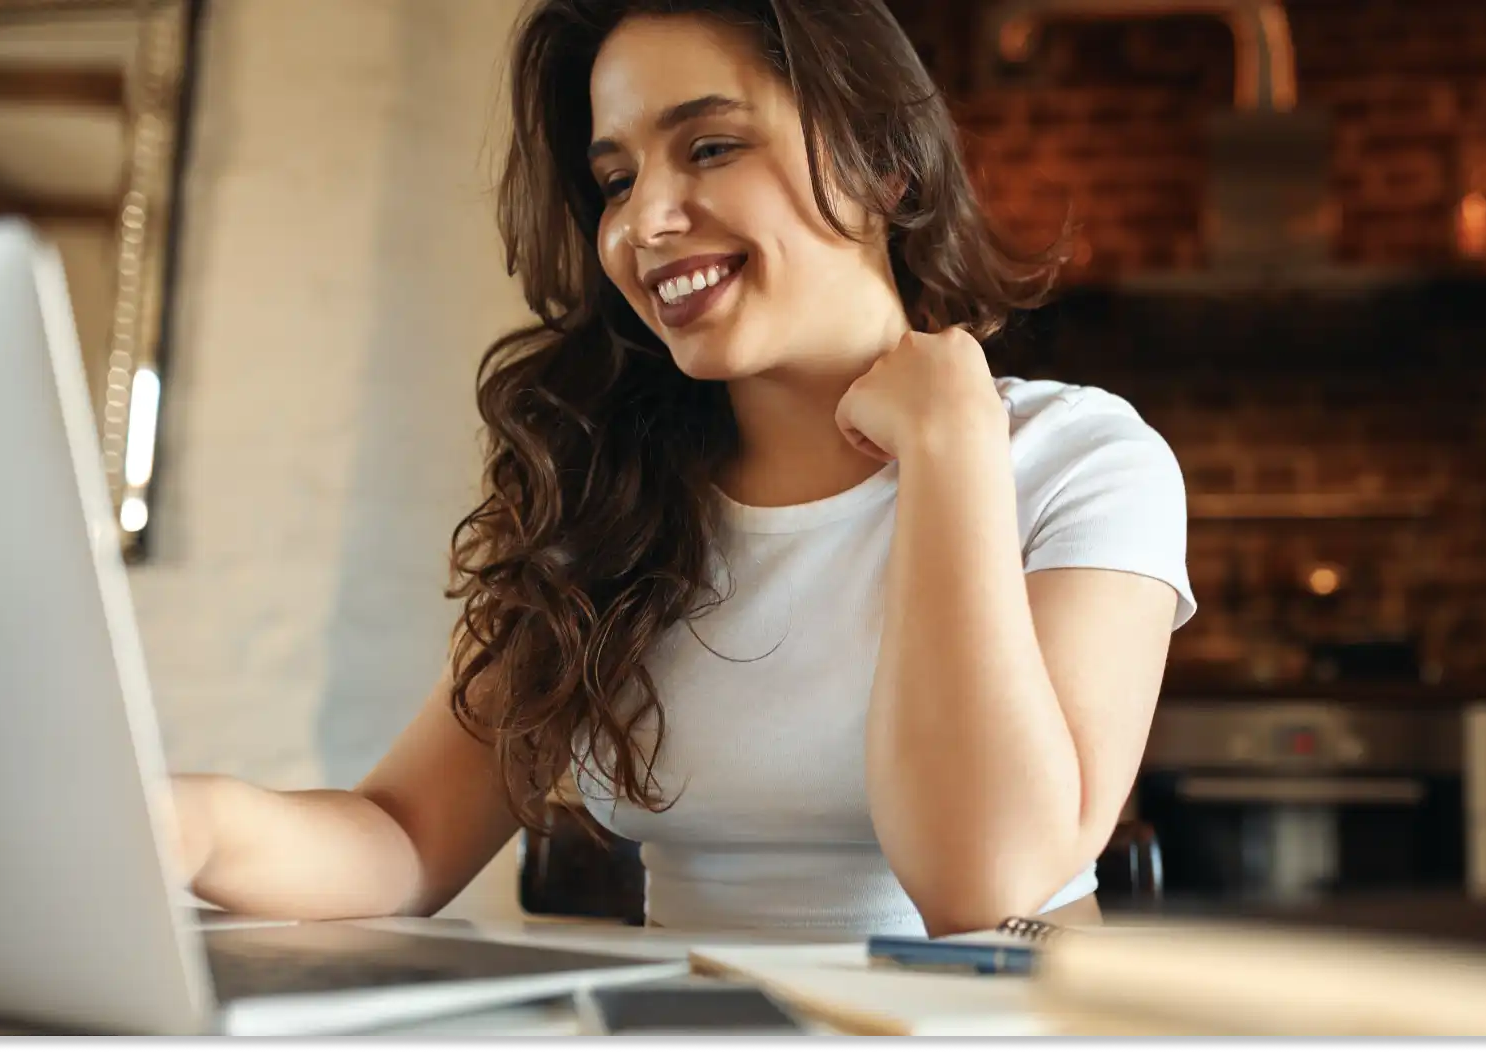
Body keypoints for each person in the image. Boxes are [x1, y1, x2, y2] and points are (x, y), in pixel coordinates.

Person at [170, 0, 1195, 938]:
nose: (644, 222)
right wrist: (194, 823)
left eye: (709, 146)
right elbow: (401, 834)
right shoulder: (610, 499)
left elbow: (987, 885)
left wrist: (949, 446)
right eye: (615, 179)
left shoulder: (1079, 462)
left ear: (884, 162)